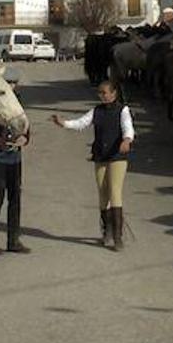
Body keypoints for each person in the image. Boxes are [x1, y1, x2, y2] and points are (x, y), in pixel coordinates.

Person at [52, 79, 134, 251]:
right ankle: (107, 231)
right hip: (100, 156)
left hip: (117, 156)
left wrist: (127, 139)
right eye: (100, 93)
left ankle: (118, 236)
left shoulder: (122, 110)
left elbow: (128, 127)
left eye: (105, 93)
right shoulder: (96, 111)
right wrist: (64, 123)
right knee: (103, 193)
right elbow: (81, 123)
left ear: (114, 93)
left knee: (115, 192)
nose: (102, 96)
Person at [0, 113, 30, 258]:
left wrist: (25, 137)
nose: (12, 88)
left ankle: (13, 239)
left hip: (14, 154)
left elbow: (24, 123)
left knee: (15, 195)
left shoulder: (16, 102)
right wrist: (4, 138)